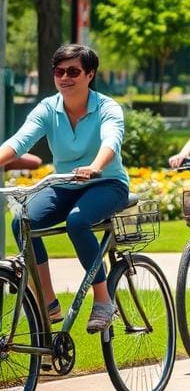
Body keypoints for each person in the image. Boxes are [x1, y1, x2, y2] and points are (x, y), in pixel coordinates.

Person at [0, 44, 130, 332]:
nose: (65, 78)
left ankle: (103, 299)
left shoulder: (107, 107)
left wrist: (96, 166)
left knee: (78, 221)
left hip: (107, 182)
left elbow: (112, 140)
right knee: (22, 221)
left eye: (73, 71)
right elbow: (19, 141)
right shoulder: (48, 108)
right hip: (66, 184)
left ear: (90, 74)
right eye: (59, 71)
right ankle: (48, 303)